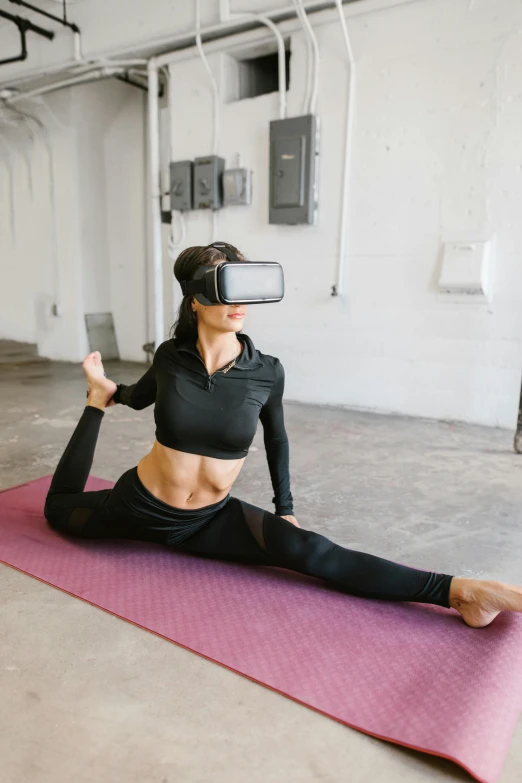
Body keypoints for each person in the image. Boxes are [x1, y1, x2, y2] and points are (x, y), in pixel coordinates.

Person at [44, 243, 522, 630]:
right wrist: (105, 395)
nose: (240, 305)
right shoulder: (170, 357)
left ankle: (462, 591)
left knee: (313, 552)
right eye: (226, 290)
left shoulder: (266, 372)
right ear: (196, 298)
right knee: (57, 510)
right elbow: (137, 396)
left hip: (207, 520)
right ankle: (90, 402)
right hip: (140, 506)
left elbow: (277, 439)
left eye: (245, 290)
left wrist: (285, 509)